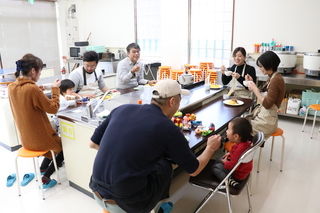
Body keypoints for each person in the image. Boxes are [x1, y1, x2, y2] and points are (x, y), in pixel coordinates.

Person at [89, 79, 221, 213]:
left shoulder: (122, 109)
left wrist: (121, 157)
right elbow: (194, 170)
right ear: (172, 102)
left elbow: (92, 143)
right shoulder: (168, 129)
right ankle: (156, 208)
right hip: (126, 203)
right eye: (179, 102)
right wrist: (210, 148)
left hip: (96, 190)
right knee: (164, 165)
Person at [8, 53, 64, 188]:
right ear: (33, 71)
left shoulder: (11, 87)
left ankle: (43, 168)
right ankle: (46, 176)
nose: (40, 75)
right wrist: (55, 89)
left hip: (26, 140)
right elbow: (53, 108)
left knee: (53, 140)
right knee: (65, 146)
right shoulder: (32, 89)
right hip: (40, 140)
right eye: (40, 72)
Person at [246, 51, 285, 139]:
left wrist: (255, 89)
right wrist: (252, 84)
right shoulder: (272, 77)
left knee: (239, 127)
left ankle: (243, 150)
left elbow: (267, 104)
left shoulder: (276, 80)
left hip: (266, 122)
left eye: (261, 66)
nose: (260, 68)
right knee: (240, 123)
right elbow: (263, 93)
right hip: (264, 117)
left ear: (269, 66)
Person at [211, 117, 253, 188]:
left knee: (214, 167)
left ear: (236, 136)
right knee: (218, 159)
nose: (226, 131)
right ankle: (224, 174)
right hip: (241, 170)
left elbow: (232, 166)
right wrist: (230, 153)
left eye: (228, 129)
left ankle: (229, 181)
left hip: (237, 174)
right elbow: (238, 155)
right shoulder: (245, 143)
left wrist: (225, 162)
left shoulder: (239, 149)